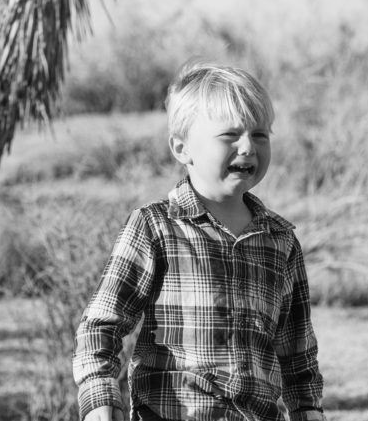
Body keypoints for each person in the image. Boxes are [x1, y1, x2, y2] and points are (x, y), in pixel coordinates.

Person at [73, 63, 326, 421]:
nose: (247, 147)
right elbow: (102, 324)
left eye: (259, 135)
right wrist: (99, 396)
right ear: (181, 148)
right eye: (229, 135)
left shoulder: (280, 240)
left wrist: (308, 409)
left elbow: (297, 349)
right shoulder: (155, 227)